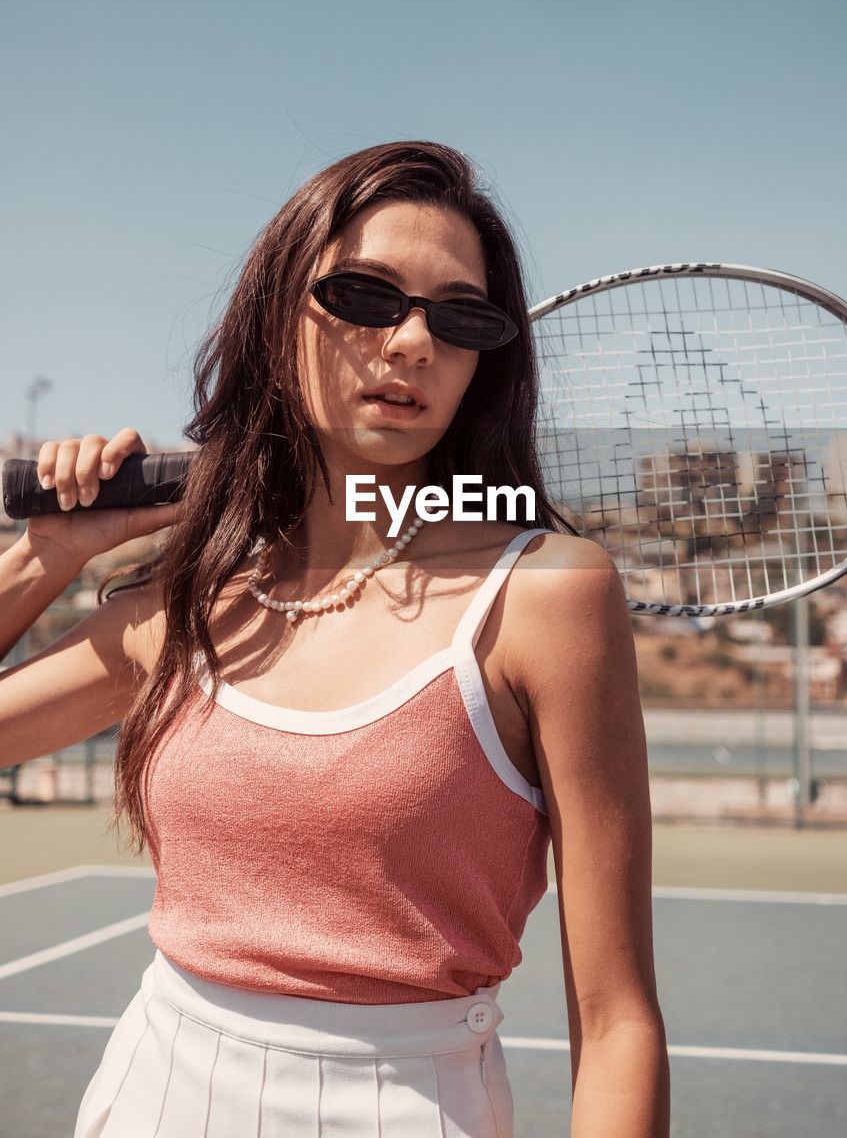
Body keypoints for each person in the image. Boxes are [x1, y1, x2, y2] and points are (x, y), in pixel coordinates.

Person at [0, 141, 669, 1136]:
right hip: (152, 1086)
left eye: (459, 315)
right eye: (365, 295)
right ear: (278, 316)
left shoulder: (545, 594)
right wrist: (44, 556)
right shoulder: (184, 602)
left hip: (410, 1103)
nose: (410, 344)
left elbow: (615, 1020)